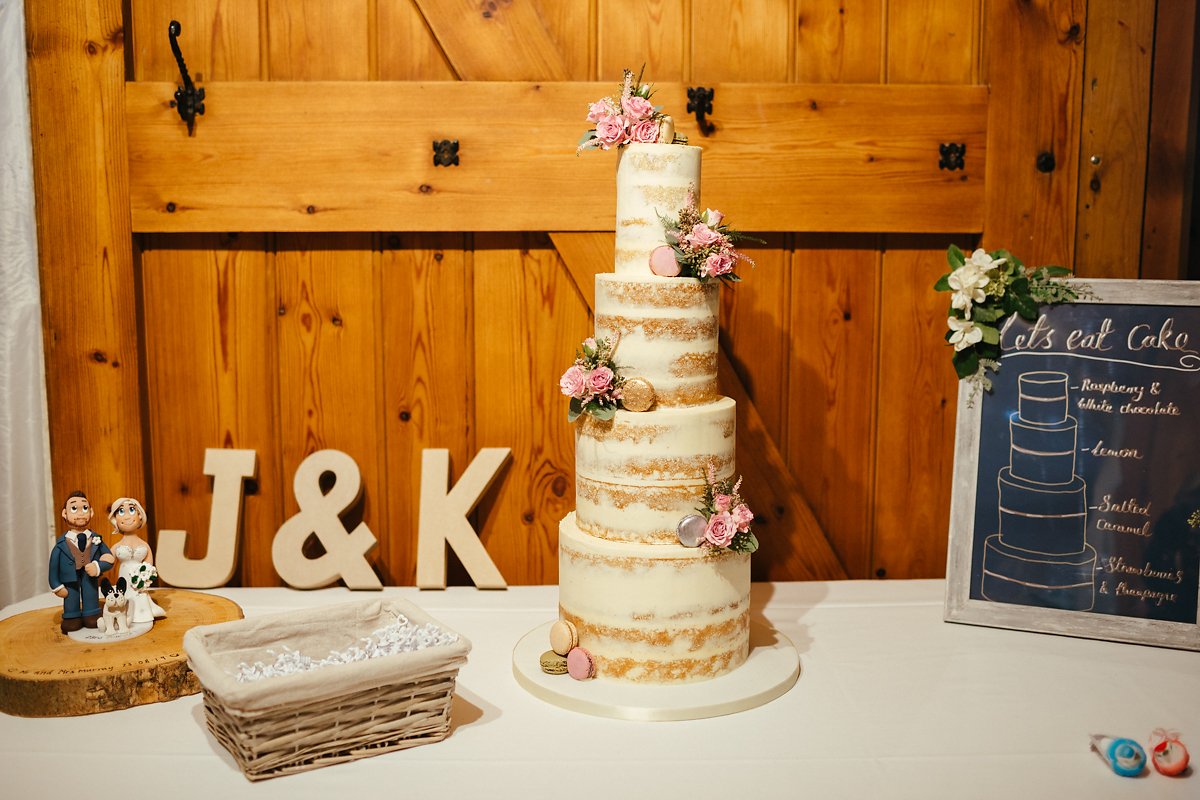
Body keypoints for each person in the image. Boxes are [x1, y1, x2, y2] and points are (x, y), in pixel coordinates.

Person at [49, 491, 115, 634]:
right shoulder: (61, 544)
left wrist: (97, 566)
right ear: (64, 514)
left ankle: (91, 613)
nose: (80, 513)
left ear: (91, 512)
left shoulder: (96, 539)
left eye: (84, 508)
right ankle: (72, 616)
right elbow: (53, 567)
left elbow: (109, 557)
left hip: (89, 577)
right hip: (69, 580)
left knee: (91, 594)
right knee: (71, 596)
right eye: (74, 508)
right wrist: (56, 586)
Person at [108, 497, 166, 624]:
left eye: (132, 510)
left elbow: (149, 561)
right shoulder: (117, 546)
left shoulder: (144, 544)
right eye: (121, 512)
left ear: (140, 515)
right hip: (124, 577)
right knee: (126, 594)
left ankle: (142, 614)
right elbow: (108, 560)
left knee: (140, 595)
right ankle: (125, 614)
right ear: (115, 519)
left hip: (139, 579)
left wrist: (145, 574)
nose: (127, 516)